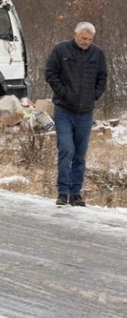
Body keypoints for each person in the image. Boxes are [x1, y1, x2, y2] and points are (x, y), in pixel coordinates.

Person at [44, 21, 108, 207]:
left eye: (89, 39)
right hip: (64, 110)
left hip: (86, 112)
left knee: (80, 155)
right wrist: (63, 93)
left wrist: (94, 95)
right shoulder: (61, 50)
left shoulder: (97, 54)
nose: (85, 42)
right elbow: (50, 73)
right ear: (75, 35)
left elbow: (103, 77)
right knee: (66, 149)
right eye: (83, 38)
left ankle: (76, 193)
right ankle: (62, 192)